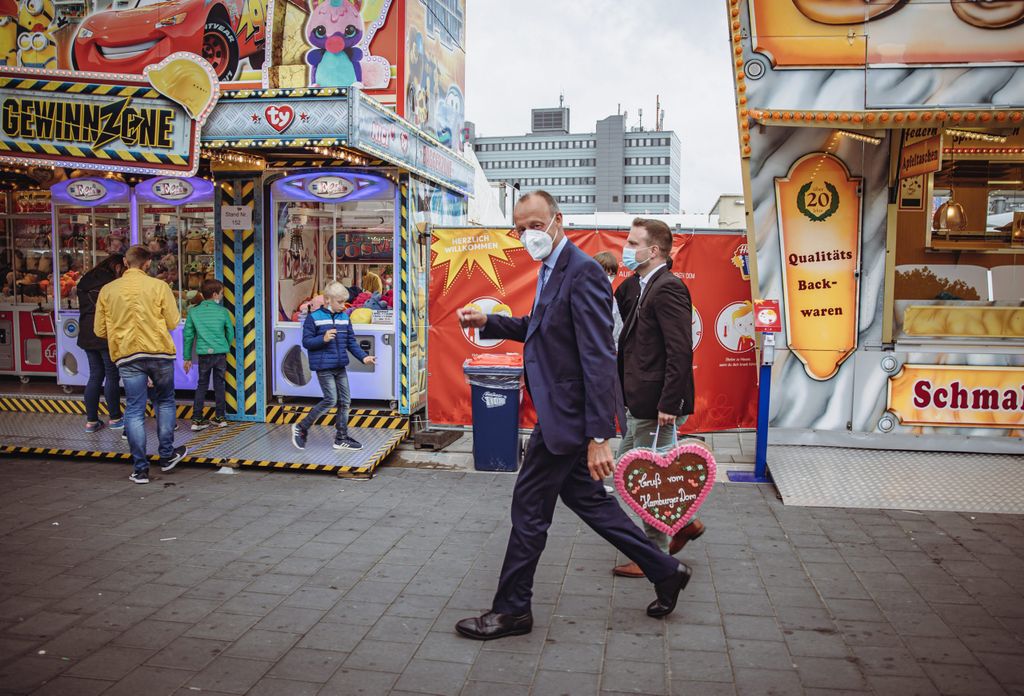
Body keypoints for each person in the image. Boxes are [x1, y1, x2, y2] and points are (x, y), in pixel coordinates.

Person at [454, 191, 691, 641]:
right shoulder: (550, 270)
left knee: (529, 509)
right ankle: (665, 569)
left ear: (558, 220)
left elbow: (599, 356)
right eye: (520, 228)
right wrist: (490, 323)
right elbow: (539, 329)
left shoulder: (581, 272)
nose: (528, 235)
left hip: (568, 419)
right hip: (559, 413)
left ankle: (512, 610)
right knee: (591, 503)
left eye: (536, 225)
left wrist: (600, 433)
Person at [611, 218, 703, 578]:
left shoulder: (668, 288)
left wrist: (669, 404)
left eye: (633, 243)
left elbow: (680, 351)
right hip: (638, 400)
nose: (627, 249)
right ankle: (684, 524)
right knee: (630, 472)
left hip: (656, 405)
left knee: (645, 479)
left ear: (653, 251)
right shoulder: (637, 284)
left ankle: (656, 556)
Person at [94, 245, 187, 484]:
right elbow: (173, 321)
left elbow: (99, 330)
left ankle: (140, 469)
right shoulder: (159, 286)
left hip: (127, 355)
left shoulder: (108, 290)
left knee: (135, 409)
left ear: (125, 263)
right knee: (164, 401)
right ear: (147, 264)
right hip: (159, 353)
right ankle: (166, 456)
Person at [291, 281, 377, 452]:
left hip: (339, 365)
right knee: (331, 400)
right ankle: (301, 427)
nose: (343, 306)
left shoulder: (344, 318)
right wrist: (322, 339)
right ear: (328, 300)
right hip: (324, 366)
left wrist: (364, 357)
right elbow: (306, 342)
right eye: (339, 302)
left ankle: (341, 438)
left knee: (345, 401)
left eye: (344, 302)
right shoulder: (313, 318)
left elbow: (351, 342)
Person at [76, 253, 125, 433]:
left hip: (86, 333)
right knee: (112, 375)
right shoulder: (111, 283)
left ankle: (91, 421)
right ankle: (115, 418)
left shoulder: (86, 279)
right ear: (118, 266)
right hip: (104, 334)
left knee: (95, 375)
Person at [183, 279, 235, 431]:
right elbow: (230, 332)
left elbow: (188, 336)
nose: (222, 296)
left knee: (202, 385)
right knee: (219, 384)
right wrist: (224, 345)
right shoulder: (223, 311)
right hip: (220, 353)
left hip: (204, 354)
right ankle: (220, 417)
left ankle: (197, 419)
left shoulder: (194, 312)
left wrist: (187, 358)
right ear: (214, 294)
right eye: (221, 293)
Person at [592, 251, 623, 345]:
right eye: (604, 273)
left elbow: (617, 330)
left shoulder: (612, 300)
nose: (608, 278)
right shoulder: (579, 295)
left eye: (612, 275)